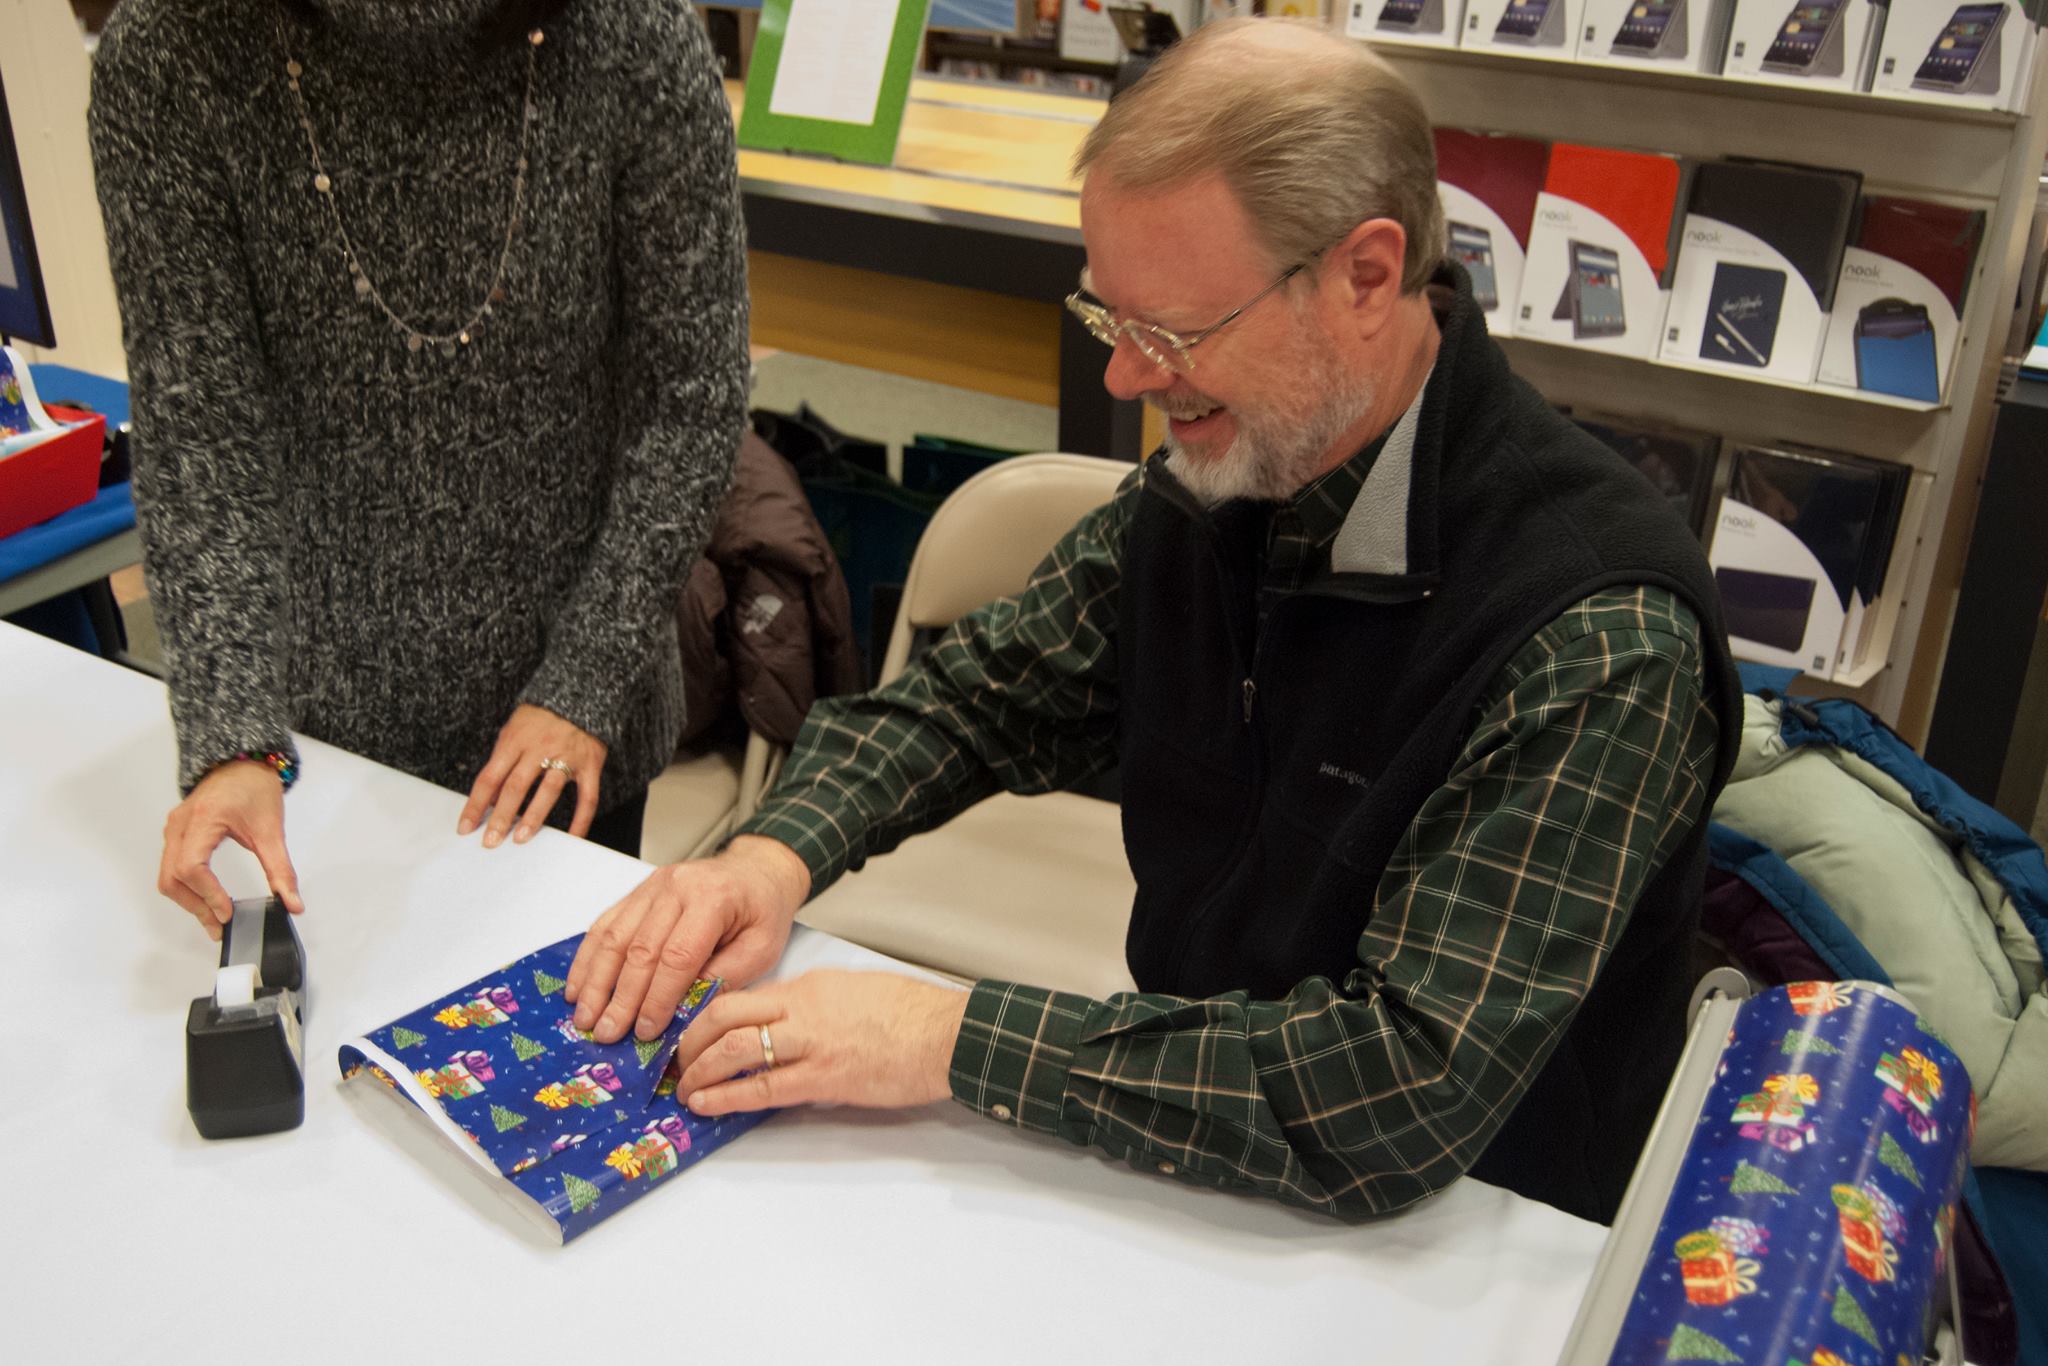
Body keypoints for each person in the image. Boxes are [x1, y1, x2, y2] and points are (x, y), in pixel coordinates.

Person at [566, 18, 1742, 1224]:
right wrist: (775, 851)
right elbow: (981, 694)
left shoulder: (1596, 637)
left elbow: (1396, 1084)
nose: (1125, 378)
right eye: (1107, 319)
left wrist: (944, 1032)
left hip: (1476, 1251)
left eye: (1172, 333)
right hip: (1192, 1166)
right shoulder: (1219, 487)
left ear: (1366, 276)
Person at [89, 0, 747, 937]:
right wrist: (231, 733)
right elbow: (200, 427)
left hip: (569, 731)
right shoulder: (176, 51)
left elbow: (692, 397)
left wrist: (587, 679)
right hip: (327, 737)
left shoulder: (631, 32)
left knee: (545, 1053)